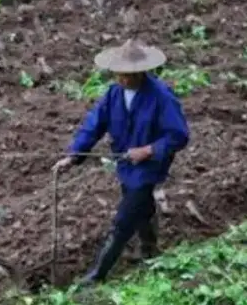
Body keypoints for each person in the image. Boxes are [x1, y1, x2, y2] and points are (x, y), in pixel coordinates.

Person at [53, 39, 190, 285]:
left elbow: (178, 135)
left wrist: (148, 150)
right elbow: (94, 125)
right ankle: (149, 248)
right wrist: (74, 156)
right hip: (125, 163)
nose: (124, 79)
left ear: (142, 72)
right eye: (120, 74)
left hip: (149, 166)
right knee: (141, 206)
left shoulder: (160, 96)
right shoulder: (113, 95)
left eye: (129, 75)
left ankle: (97, 275)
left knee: (124, 219)